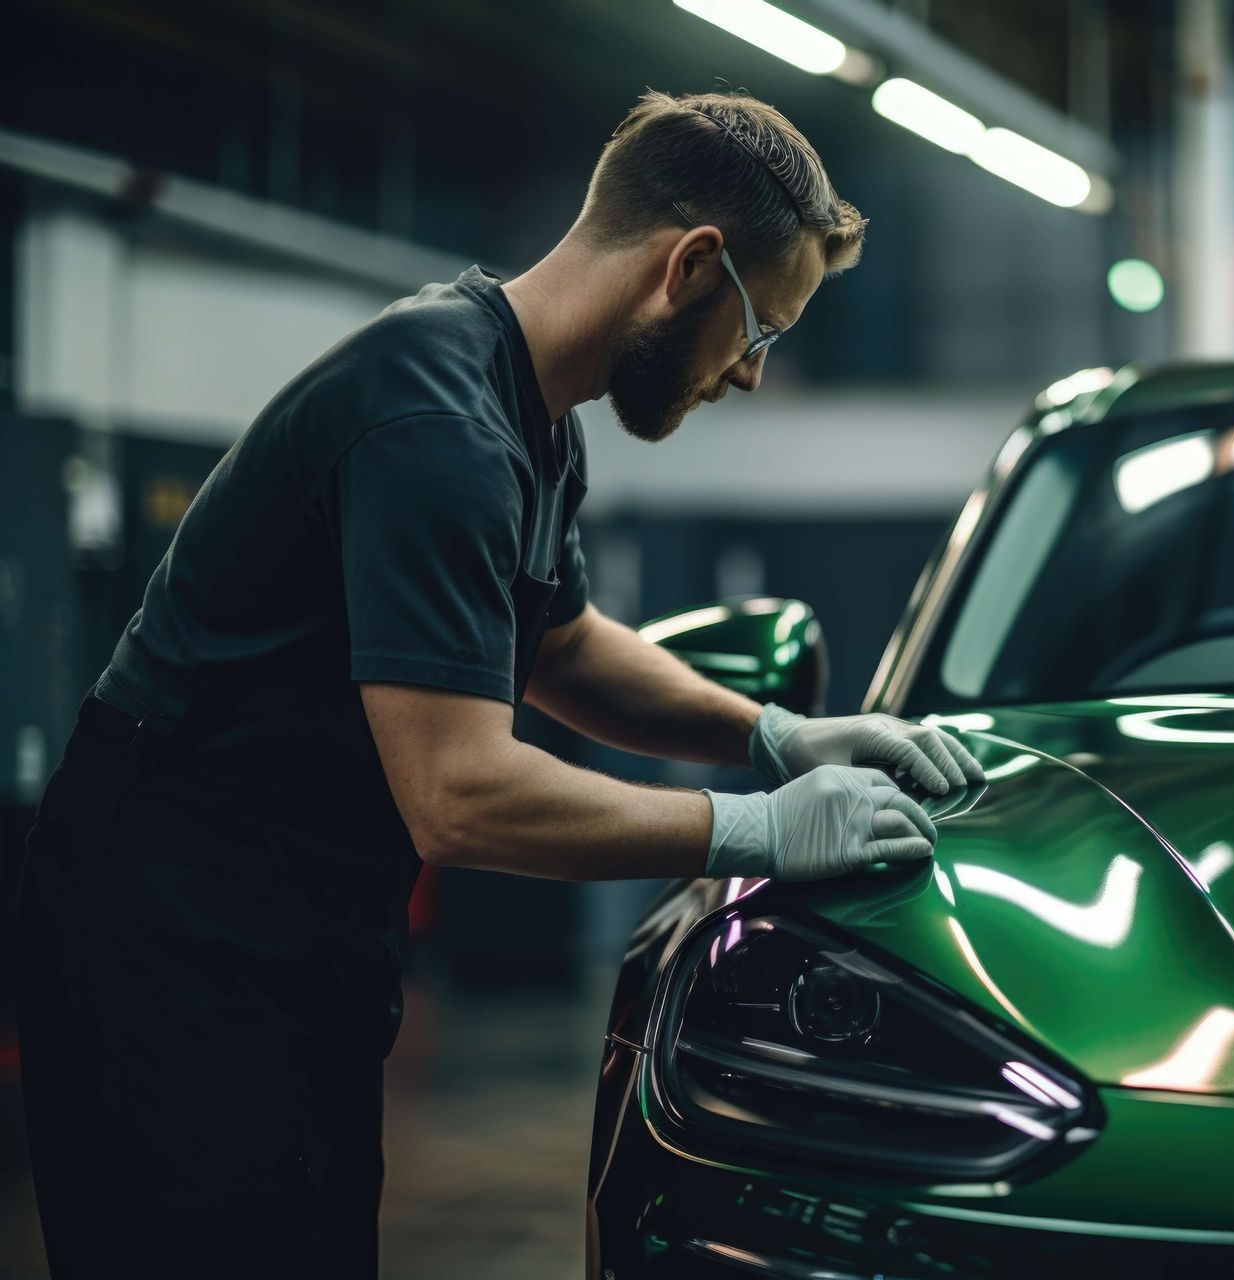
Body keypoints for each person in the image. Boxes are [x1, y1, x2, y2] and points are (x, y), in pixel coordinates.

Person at [14, 88, 983, 1277]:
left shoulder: (533, 414)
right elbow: (460, 794)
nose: (749, 376)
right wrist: (757, 829)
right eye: (762, 333)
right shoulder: (435, 419)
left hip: (296, 917)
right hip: (169, 931)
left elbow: (564, 644)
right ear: (690, 264)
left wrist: (781, 734)